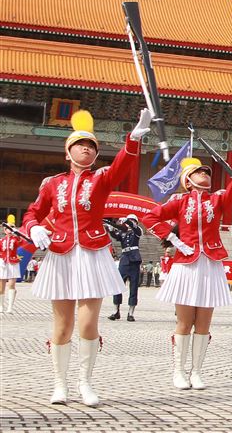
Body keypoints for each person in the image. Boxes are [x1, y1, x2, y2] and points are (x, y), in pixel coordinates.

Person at [24, 108, 151, 406]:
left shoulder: (102, 178)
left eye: (92, 146)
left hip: (92, 254)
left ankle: (85, 382)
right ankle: (60, 384)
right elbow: (34, 211)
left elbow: (122, 164)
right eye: (80, 145)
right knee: (62, 325)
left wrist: (133, 138)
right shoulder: (53, 183)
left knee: (88, 325)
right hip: (61, 253)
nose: (86, 148)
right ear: (68, 153)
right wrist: (33, 228)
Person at [143, 153, 232, 389]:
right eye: (200, 171)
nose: (205, 174)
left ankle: (197, 372)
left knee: (204, 323)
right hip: (185, 265)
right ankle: (178, 371)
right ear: (187, 180)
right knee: (184, 322)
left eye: (207, 172)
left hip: (209, 262)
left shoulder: (218, 199)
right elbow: (149, 217)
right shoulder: (179, 201)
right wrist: (172, 239)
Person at [106, 215, 143, 322]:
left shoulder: (137, 231)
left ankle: (130, 313)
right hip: (124, 260)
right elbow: (116, 237)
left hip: (134, 261)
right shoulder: (123, 232)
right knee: (117, 286)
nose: (129, 223)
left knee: (133, 287)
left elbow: (135, 228)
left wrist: (128, 220)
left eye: (132, 221)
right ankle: (116, 311)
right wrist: (111, 229)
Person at [0, 215, 24, 314]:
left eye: (10, 228)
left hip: (13, 263)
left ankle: (10, 307)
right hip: (3, 263)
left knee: (12, 284)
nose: (8, 230)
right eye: (7, 229)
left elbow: (22, 242)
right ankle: (1, 306)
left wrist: (16, 233)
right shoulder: (1, 241)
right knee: (1, 286)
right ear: (4, 230)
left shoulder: (16, 239)